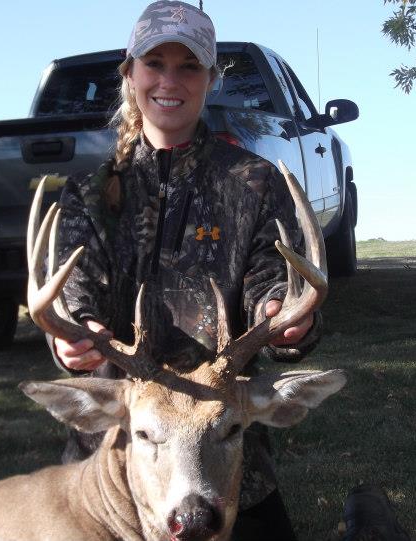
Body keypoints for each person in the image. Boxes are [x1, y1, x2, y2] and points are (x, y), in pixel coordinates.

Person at [46, 1, 322, 538]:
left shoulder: (253, 183)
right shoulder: (89, 197)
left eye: (189, 66)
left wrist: (283, 316)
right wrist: (72, 339)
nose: (170, 80)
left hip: (221, 450)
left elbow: (275, 276)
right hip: (114, 465)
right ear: (130, 75)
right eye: (155, 64)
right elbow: (71, 295)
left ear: (211, 79)